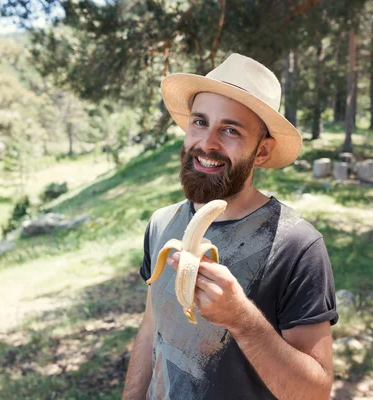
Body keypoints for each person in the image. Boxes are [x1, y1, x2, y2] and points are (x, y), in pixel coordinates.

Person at [123, 53, 338, 400]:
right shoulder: (162, 223)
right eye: (199, 122)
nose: (207, 143)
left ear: (262, 152)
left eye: (230, 130)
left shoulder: (297, 246)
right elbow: (151, 333)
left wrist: (242, 320)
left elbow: (314, 393)